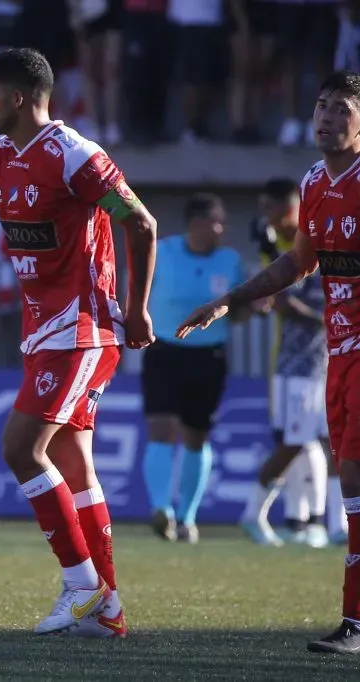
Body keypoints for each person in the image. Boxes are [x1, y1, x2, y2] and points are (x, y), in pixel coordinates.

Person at [0, 47, 157, 637]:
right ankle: (108, 612)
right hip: (45, 333)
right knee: (73, 463)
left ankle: (83, 585)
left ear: (18, 98)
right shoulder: (2, 156)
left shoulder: (74, 156)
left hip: (81, 331)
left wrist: (137, 310)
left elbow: (140, 222)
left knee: (21, 449)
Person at [177, 70, 360, 655]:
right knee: (349, 484)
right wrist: (228, 300)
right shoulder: (314, 182)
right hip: (338, 356)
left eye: (342, 108)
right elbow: (297, 264)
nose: (327, 117)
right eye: (322, 105)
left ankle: (355, 623)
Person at [139, 194, 246, 544]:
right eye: (217, 223)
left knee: (196, 436)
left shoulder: (230, 261)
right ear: (198, 223)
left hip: (208, 356)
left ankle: (187, 517)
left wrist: (256, 306)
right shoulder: (162, 252)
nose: (222, 230)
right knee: (160, 427)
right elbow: (137, 293)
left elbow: (240, 310)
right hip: (164, 351)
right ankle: (161, 510)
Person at [242, 178, 332, 548]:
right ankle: (254, 514)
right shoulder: (275, 247)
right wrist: (325, 321)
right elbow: (276, 300)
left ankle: (315, 522)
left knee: (320, 441)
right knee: (293, 442)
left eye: (272, 208)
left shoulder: (320, 241)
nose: (267, 216)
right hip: (294, 363)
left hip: (324, 361)